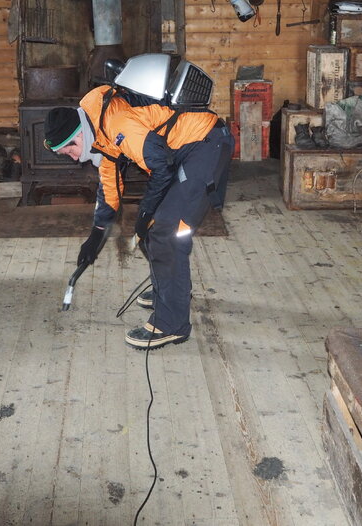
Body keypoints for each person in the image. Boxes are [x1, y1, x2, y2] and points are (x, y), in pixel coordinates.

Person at [44, 83, 233, 350]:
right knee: (151, 231)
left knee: (167, 234)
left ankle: (171, 324)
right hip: (185, 151)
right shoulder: (101, 132)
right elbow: (109, 191)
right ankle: (169, 292)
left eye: (69, 151)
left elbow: (161, 170)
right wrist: (94, 238)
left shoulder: (118, 124)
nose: (74, 159)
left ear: (78, 137)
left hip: (205, 145)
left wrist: (145, 214)